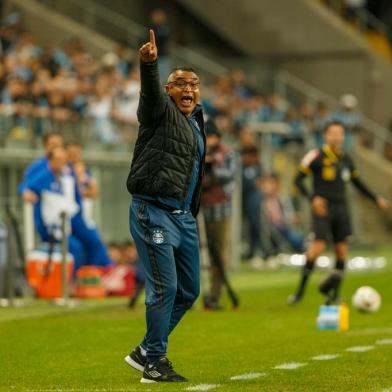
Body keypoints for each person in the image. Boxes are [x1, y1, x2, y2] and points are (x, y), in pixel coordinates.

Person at [124, 30, 205, 383]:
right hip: (153, 210)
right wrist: (150, 65)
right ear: (169, 90)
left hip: (183, 217)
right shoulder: (158, 111)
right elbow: (149, 96)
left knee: (189, 290)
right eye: (179, 84)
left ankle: (145, 349)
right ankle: (154, 362)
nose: (187, 89)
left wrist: (191, 212)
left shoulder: (197, 124)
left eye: (194, 84)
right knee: (164, 288)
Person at [288, 121, 389, 305]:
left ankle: (334, 294)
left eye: (340, 133)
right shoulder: (315, 156)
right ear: (325, 136)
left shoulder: (346, 159)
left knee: (342, 252)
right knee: (317, 247)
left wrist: (376, 199)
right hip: (323, 208)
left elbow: (358, 183)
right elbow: (298, 180)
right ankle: (299, 292)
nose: (337, 137)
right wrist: (313, 198)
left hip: (341, 209)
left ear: (343, 137)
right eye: (333, 133)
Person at [201, 120, 236, 310]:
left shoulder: (227, 154)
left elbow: (229, 175)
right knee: (195, 253)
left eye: (213, 137)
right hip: (200, 209)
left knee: (218, 254)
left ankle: (214, 295)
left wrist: (212, 164)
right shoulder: (198, 150)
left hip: (221, 211)